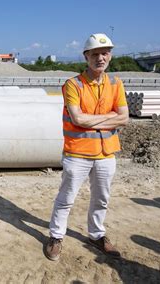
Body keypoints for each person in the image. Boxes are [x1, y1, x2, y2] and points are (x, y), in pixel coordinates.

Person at [45, 33, 129, 261]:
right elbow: (78, 119)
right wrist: (108, 116)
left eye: (105, 53)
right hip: (78, 153)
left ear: (110, 56)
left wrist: (96, 118)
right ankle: (56, 236)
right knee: (66, 198)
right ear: (86, 57)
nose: (100, 58)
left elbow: (124, 118)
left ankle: (96, 235)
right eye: (95, 54)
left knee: (101, 198)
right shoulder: (73, 85)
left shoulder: (116, 83)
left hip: (106, 153)